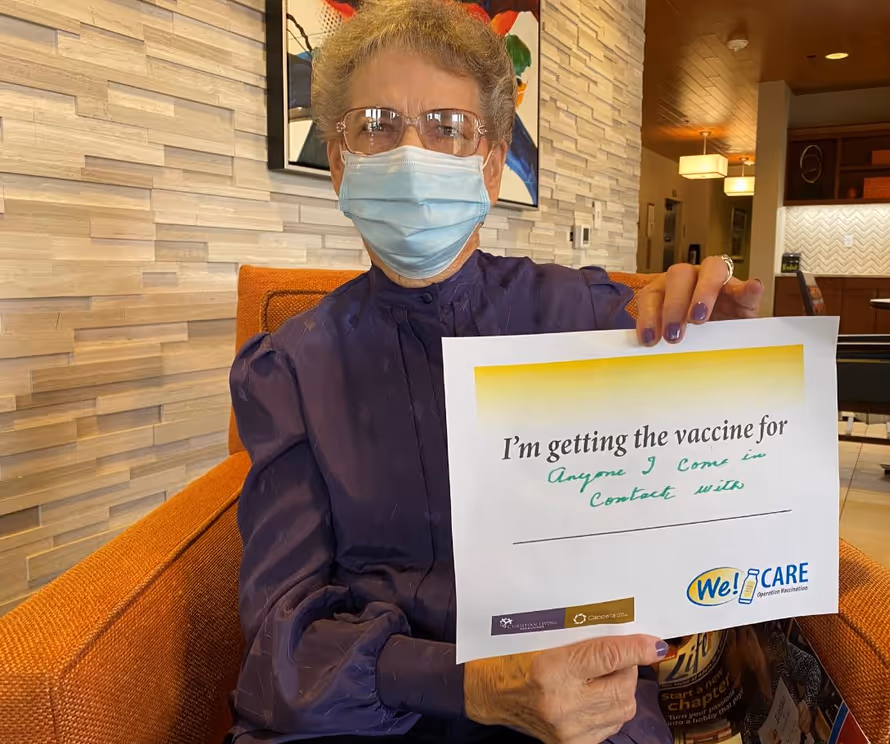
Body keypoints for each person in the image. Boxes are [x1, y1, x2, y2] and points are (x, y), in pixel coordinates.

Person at [228, 1, 764, 742]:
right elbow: (278, 642)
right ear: (341, 163)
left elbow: (707, 524)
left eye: (447, 127)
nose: (410, 153)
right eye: (376, 125)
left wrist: (728, 367)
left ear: (489, 163)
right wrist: (467, 682)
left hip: (581, 703)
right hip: (369, 713)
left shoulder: (590, 319)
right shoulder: (290, 367)